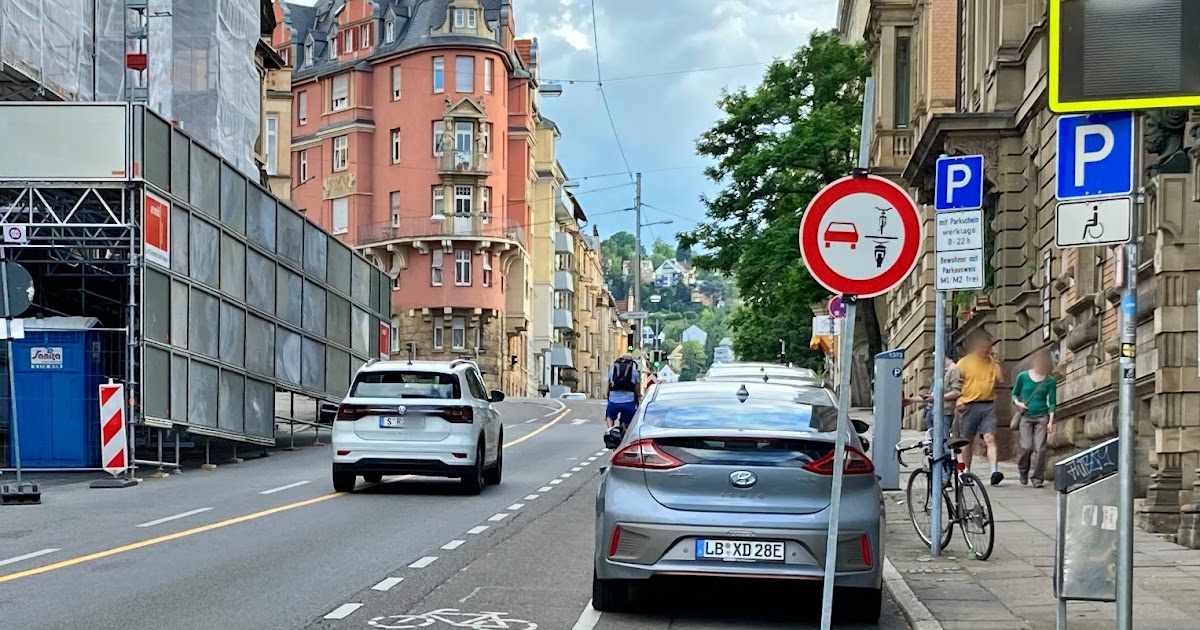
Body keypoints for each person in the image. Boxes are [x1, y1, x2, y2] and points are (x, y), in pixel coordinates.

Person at [956, 332, 1005, 485]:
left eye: (988, 348)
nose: (986, 350)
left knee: (990, 438)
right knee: (967, 441)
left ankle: (994, 472)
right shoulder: (964, 363)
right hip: (968, 405)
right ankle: (966, 472)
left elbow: (1001, 379)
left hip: (987, 404)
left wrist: (996, 361)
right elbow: (954, 384)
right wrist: (957, 400)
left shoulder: (992, 363)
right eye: (983, 348)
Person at [1012, 348, 1057, 488]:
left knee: (1040, 449)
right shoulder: (1023, 377)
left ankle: (1037, 478)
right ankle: (1023, 470)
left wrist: (1050, 421)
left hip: (1042, 417)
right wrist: (1017, 403)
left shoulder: (1050, 381)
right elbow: (1014, 394)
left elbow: (1052, 402)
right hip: (1026, 416)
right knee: (1026, 447)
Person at [604, 354, 640, 430]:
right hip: (629, 401)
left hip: (613, 400)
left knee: (609, 416)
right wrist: (638, 396)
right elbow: (637, 389)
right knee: (628, 421)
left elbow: (608, 386)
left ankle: (609, 429)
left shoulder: (612, 371)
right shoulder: (635, 372)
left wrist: (608, 395)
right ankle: (624, 429)